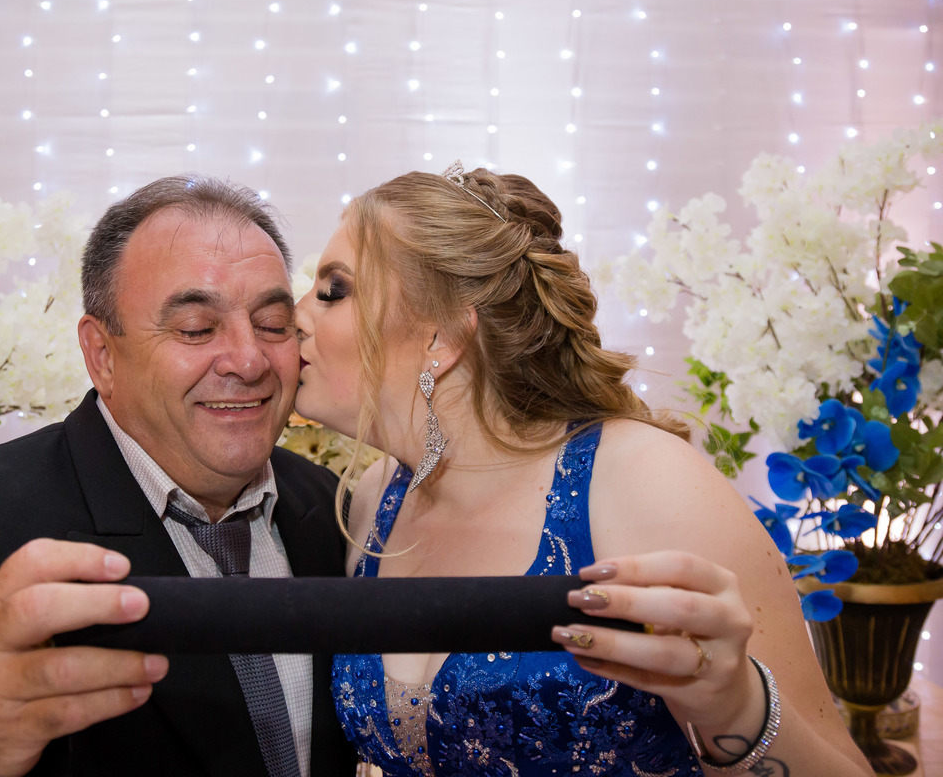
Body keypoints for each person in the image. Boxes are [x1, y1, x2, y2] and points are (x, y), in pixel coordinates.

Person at [293, 163, 875, 776]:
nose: (295, 314)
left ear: (440, 337)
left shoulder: (646, 482)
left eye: (334, 290)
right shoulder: (373, 501)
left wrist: (738, 708)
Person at [0, 176, 356, 777]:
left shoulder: (331, 508)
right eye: (195, 328)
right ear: (102, 355)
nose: (248, 359)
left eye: (273, 324)